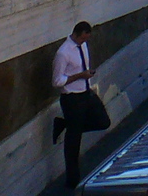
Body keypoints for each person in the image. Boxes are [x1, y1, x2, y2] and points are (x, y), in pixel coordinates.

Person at [51, 19, 106, 188]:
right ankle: (72, 179)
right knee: (73, 142)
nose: (84, 42)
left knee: (103, 121)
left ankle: (65, 124)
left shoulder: (83, 46)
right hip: (72, 98)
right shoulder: (63, 53)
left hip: (86, 92)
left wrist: (86, 76)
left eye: (86, 39)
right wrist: (80, 76)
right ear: (75, 34)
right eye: (82, 38)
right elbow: (57, 81)